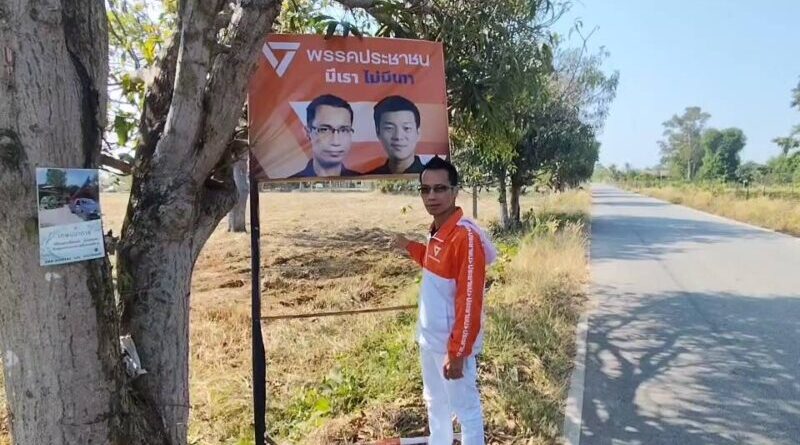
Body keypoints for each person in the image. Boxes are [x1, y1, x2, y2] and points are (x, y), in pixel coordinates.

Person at [390, 157, 497, 445]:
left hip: (450, 345)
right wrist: (408, 245)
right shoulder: (438, 230)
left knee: (466, 410)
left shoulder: (465, 237)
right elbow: (433, 261)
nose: (432, 196)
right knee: (434, 401)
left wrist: (458, 352)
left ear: (455, 191)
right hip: (430, 340)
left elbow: (470, 299)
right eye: (425, 190)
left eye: (440, 188)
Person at [290, 94, 360, 178]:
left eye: (344, 130)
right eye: (324, 130)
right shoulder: (288, 184)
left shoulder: (365, 183)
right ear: (308, 133)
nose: (336, 142)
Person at [367, 95, 426, 175]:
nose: (398, 136)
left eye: (406, 128)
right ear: (378, 132)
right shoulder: (368, 178)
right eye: (389, 128)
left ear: (418, 133)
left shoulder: (434, 178)